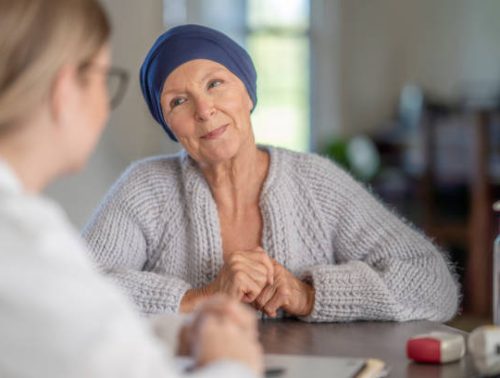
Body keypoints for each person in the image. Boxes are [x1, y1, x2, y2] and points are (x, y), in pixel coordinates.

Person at [83, 24, 459, 322]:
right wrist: (199, 298)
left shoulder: (316, 183)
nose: (204, 110)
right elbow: (73, 289)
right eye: (178, 101)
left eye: (216, 84)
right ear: (169, 124)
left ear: (247, 92)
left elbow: (432, 282)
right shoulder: (144, 188)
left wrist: (308, 295)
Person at [0, 2, 262, 377]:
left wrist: (177, 334)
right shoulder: (27, 246)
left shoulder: (24, 233)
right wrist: (231, 362)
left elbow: (76, 327)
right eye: (105, 78)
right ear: (65, 92)